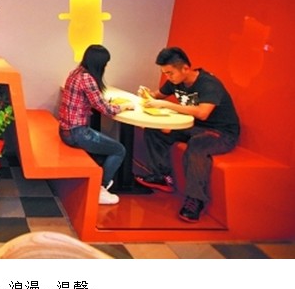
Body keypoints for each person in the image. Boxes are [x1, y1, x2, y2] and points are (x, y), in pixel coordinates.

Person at [136, 47, 240, 222]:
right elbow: (158, 95)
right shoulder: (175, 81)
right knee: (154, 130)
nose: (168, 77)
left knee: (197, 145)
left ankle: (196, 199)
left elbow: (202, 113)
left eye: (170, 73)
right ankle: (163, 177)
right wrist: (147, 95)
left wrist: (167, 105)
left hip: (221, 133)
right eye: (165, 73)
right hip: (193, 127)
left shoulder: (209, 84)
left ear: (185, 68)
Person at [58, 45, 135, 205]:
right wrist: (124, 106)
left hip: (65, 130)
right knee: (119, 150)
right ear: (99, 64)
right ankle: (100, 188)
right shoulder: (87, 79)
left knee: (103, 151)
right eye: (105, 64)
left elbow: (95, 102)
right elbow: (106, 110)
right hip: (77, 133)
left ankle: (94, 182)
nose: (106, 67)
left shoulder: (75, 73)